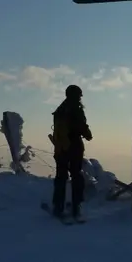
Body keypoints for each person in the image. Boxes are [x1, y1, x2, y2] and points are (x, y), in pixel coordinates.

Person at [49, 84, 93, 220]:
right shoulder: (76, 109)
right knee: (76, 176)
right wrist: (88, 134)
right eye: (79, 95)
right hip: (74, 147)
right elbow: (82, 127)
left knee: (61, 177)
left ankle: (58, 206)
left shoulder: (60, 109)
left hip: (61, 148)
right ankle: (76, 207)